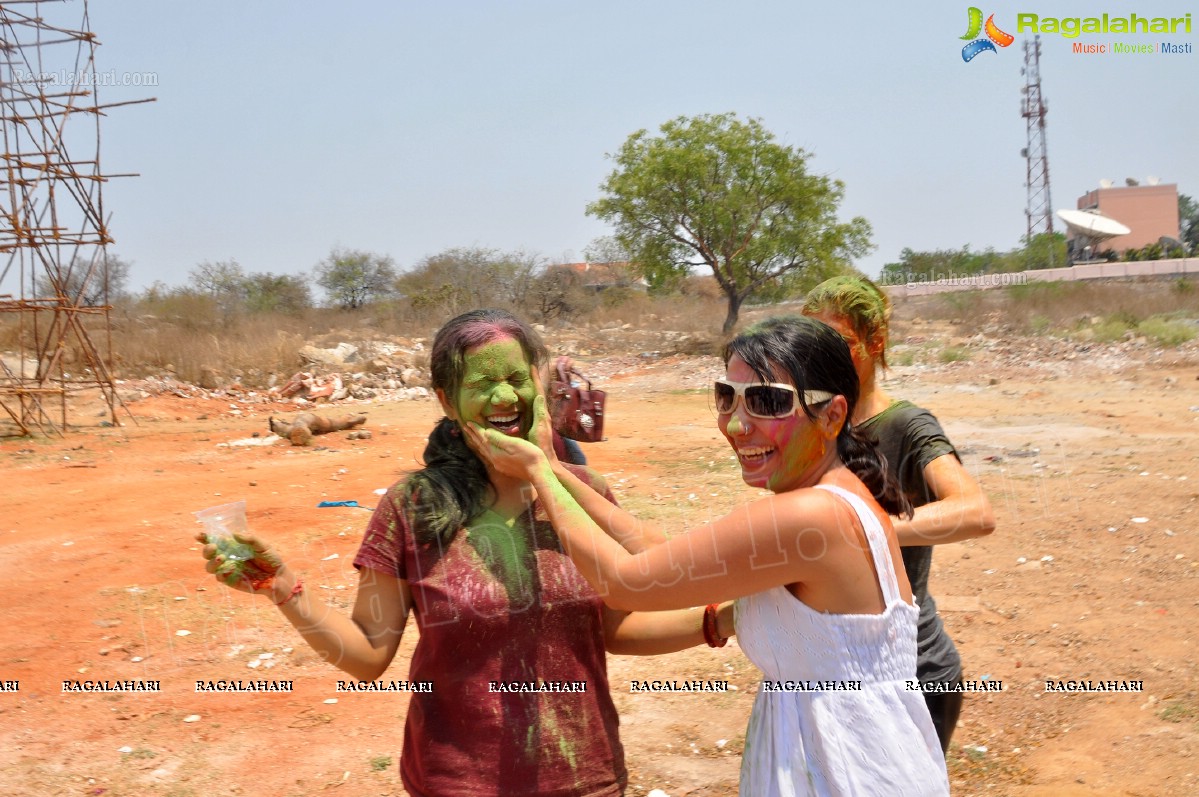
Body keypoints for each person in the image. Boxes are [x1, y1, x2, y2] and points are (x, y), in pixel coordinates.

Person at [197, 308, 733, 797]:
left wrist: (724, 621)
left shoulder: (584, 494)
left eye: (517, 379)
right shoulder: (414, 508)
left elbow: (613, 628)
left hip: (584, 777)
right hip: (457, 784)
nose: (505, 398)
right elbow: (366, 655)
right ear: (446, 400)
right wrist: (282, 586)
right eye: (484, 383)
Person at [468, 315, 950, 797]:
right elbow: (656, 551)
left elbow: (624, 582)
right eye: (727, 398)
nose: (738, 425)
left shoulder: (809, 515)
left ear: (831, 414)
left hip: (846, 767)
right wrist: (556, 467)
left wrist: (538, 474)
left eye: (767, 402)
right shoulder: (832, 496)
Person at [802, 274, 996, 753]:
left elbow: (975, 511)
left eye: (840, 343)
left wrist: (865, 531)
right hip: (838, 671)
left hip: (912, 673)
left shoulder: (908, 425)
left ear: (876, 343)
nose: (823, 358)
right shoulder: (815, 424)